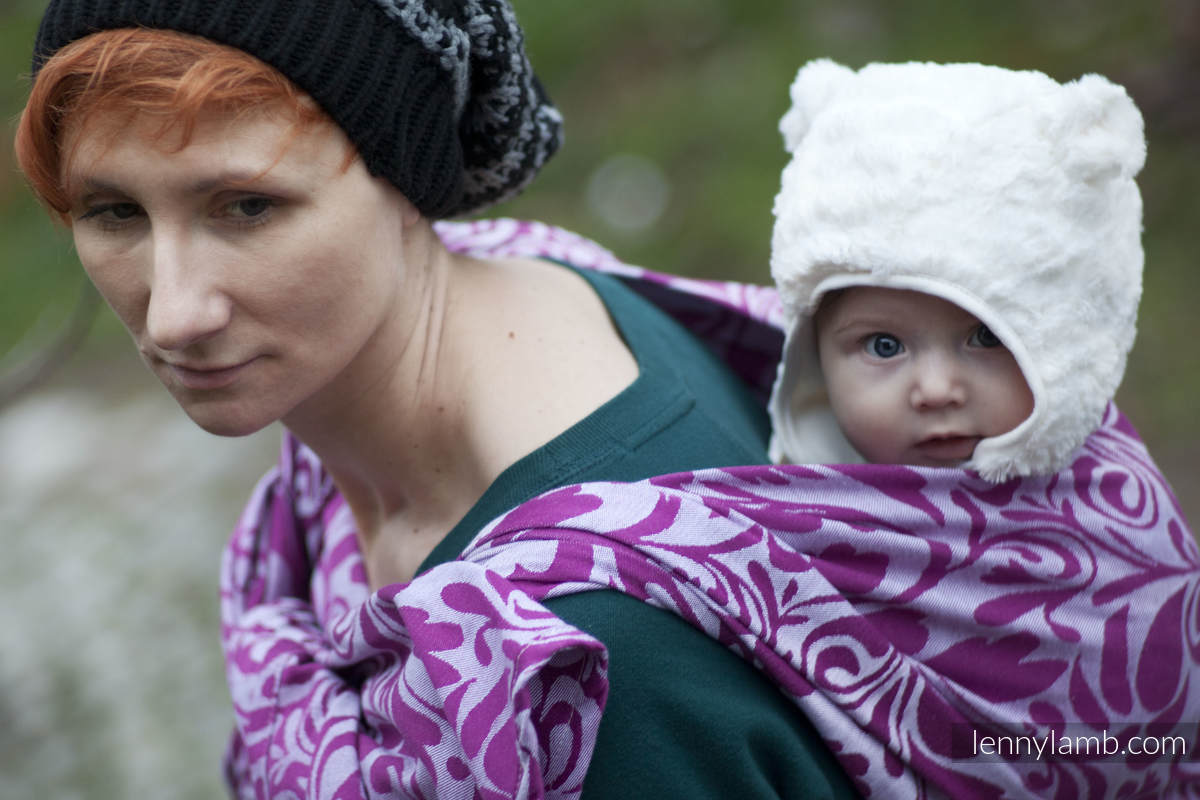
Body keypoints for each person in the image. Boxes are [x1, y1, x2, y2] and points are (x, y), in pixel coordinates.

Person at [16, 2, 857, 798]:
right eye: (114, 211)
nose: (174, 313)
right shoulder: (462, 321)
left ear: (407, 181)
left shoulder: (588, 666)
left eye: (248, 206)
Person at [765, 59, 1146, 483]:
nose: (936, 391)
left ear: (1070, 339)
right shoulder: (772, 505)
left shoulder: (1112, 510)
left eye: (987, 337)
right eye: (884, 346)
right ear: (813, 351)